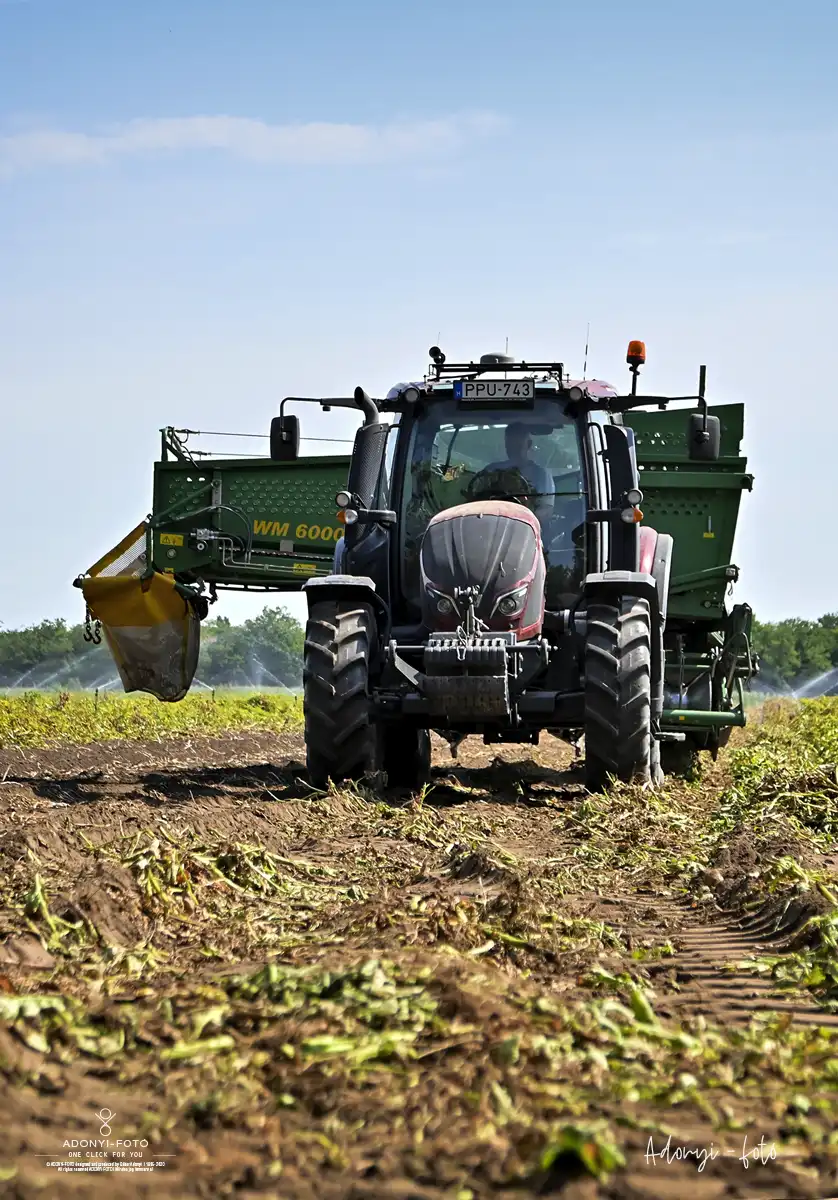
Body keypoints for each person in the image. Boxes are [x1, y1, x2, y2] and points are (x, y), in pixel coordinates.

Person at [483, 423, 554, 523]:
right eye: (509, 444)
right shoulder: (491, 470)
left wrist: (522, 519)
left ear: (528, 444)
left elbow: (546, 510)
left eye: (517, 445)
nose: (512, 449)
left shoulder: (542, 475)